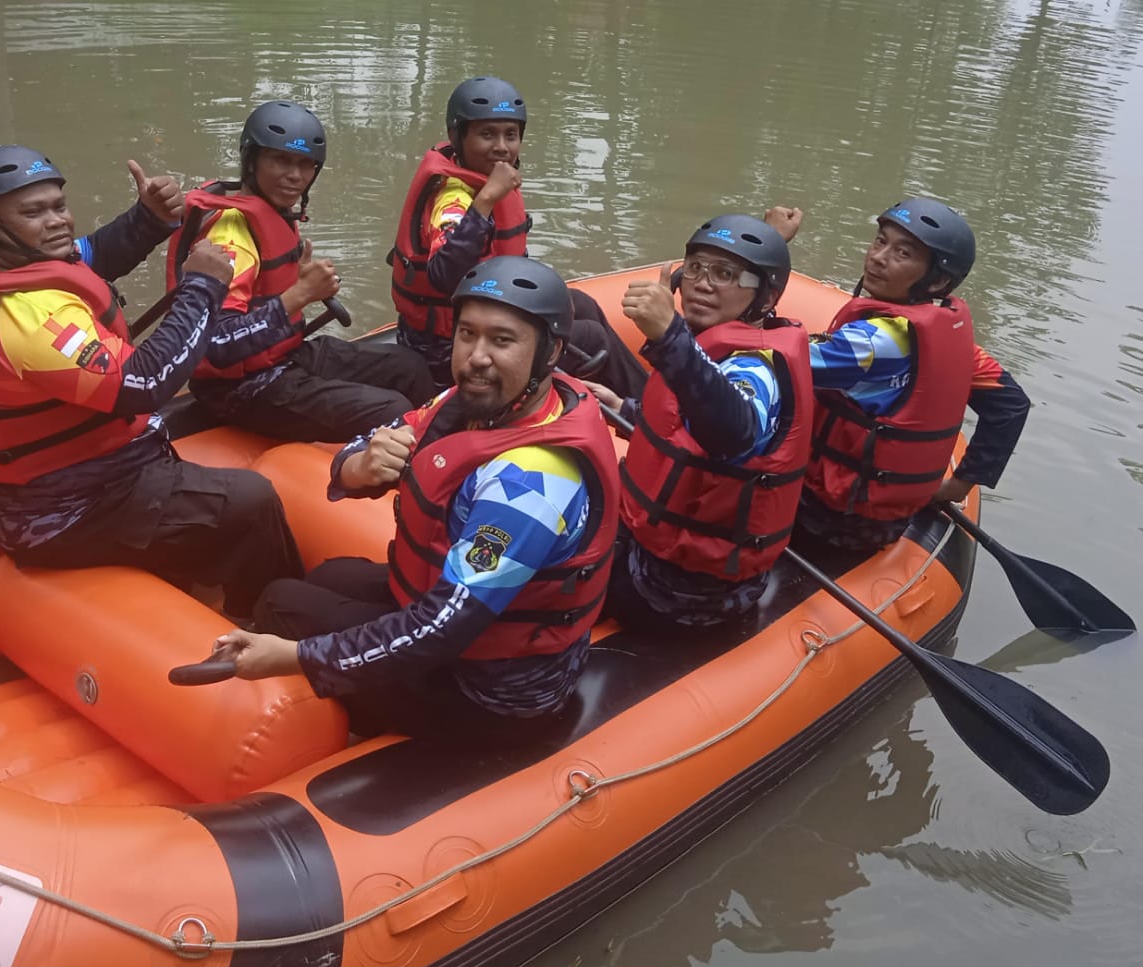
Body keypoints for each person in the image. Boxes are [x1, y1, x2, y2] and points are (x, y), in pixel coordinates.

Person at [208, 256, 621, 741]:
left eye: (502, 340)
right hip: (456, 616)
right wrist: (359, 465)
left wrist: (297, 657)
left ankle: (360, 732)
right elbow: (382, 439)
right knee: (329, 576)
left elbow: (445, 626)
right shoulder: (474, 401)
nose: (476, 356)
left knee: (282, 602)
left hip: (489, 687)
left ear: (550, 353)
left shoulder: (530, 484)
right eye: (468, 334)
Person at [0, 144, 304, 617]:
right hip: (62, 511)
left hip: (76, 476)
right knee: (250, 499)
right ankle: (274, 619)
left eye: (58, 206)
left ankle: (201, 578)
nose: (58, 221)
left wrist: (147, 219)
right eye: (34, 213)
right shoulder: (28, 319)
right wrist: (203, 287)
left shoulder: (10, 265)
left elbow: (94, 254)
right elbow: (144, 385)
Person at [764, 199, 1031, 552]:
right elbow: (1010, 402)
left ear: (938, 280)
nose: (878, 257)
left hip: (823, 515)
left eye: (902, 253)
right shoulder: (947, 341)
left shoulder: (877, 344)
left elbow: (762, 357)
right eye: (880, 241)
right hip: (876, 515)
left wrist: (768, 242)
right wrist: (957, 486)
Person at [164, 101, 436, 442]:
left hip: (282, 356)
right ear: (251, 161)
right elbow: (215, 342)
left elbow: (260, 299)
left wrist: (298, 279)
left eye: (306, 164)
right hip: (238, 387)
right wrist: (302, 293)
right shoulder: (230, 239)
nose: (295, 176)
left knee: (409, 367)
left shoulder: (272, 213)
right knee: (390, 409)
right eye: (281, 160)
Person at [589, 215, 811, 630]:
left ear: (765, 298)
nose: (702, 284)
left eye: (725, 274)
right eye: (694, 268)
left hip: (675, 588)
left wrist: (670, 336)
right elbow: (683, 428)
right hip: (651, 545)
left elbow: (733, 431)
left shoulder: (756, 369)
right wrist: (623, 406)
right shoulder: (707, 346)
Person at [387, 76, 642, 390]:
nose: (501, 147)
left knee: (580, 304)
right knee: (591, 337)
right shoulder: (453, 200)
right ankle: (646, 411)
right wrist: (485, 201)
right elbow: (444, 274)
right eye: (486, 134)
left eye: (511, 135)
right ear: (458, 137)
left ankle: (649, 396)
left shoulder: (481, 180)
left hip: (482, 319)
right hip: (447, 348)